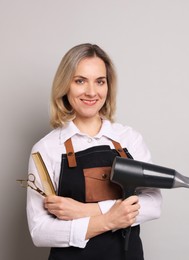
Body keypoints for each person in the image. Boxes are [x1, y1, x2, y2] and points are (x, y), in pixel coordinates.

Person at [27, 43, 162, 260]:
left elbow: (153, 205)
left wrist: (86, 210)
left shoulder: (130, 139)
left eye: (100, 81)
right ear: (65, 86)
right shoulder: (47, 149)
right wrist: (108, 220)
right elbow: (40, 232)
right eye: (80, 81)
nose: (91, 92)